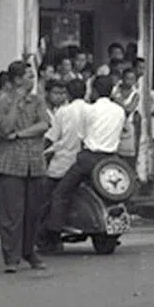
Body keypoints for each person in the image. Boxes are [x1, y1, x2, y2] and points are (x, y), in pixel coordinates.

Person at [48, 74, 125, 238]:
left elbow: (81, 135)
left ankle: (54, 231)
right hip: (112, 160)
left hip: (89, 159)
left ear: (95, 91)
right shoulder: (119, 111)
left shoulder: (90, 111)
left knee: (61, 193)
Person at [0, 60, 50, 272]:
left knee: (33, 211)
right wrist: (16, 103)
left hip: (34, 161)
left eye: (32, 76)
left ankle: (29, 250)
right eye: (28, 77)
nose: (31, 81)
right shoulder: (0, 102)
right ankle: (11, 256)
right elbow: (4, 128)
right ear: (16, 80)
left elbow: (44, 124)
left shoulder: (37, 101)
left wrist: (20, 134)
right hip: (10, 162)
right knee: (11, 213)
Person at [42, 77, 89, 243]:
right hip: (84, 162)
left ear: (68, 94)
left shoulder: (63, 112)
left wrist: (39, 151)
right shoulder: (91, 110)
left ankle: (52, 233)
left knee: (48, 197)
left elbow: (51, 137)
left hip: (62, 161)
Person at [112, 66, 141, 159]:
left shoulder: (135, 94)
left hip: (128, 125)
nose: (129, 81)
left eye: (132, 79)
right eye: (127, 78)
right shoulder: (114, 89)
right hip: (114, 123)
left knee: (127, 155)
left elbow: (130, 109)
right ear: (122, 78)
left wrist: (117, 101)